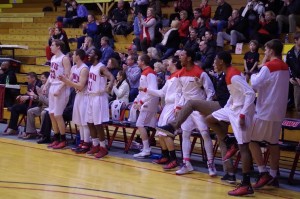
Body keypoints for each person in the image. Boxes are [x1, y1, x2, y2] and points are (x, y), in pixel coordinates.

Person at [206, 51, 256, 196]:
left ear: (221, 61)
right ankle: (229, 142)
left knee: (244, 147)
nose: (214, 63)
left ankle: (246, 185)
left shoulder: (234, 75)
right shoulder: (229, 74)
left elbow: (250, 93)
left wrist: (242, 114)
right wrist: (227, 108)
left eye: (215, 60)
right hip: (233, 108)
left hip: (242, 112)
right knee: (209, 119)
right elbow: (234, 95)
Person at [163, 49, 217, 176]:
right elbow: (179, 93)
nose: (179, 57)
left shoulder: (200, 73)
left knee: (205, 134)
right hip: (187, 108)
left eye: (182, 55)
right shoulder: (179, 74)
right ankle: (186, 164)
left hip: (199, 107)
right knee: (185, 134)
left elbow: (210, 92)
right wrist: (177, 107)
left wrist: (206, 107)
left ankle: (211, 163)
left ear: (189, 58)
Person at [249, 39, 290, 189]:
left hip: (265, 110)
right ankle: (273, 176)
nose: (264, 53)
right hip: (279, 111)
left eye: (266, 50)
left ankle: (262, 172)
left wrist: (255, 72)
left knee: (251, 140)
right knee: (273, 143)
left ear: (271, 51)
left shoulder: (268, 67)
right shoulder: (286, 67)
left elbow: (254, 84)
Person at [140, 57, 182, 170]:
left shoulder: (179, 75)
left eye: (169, 62)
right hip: (166, 106)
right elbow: (161, 93)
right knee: (159, 132)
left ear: (175, 63)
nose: (167, 64)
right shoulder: (170, 77)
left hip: (173, 106)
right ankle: (165, 156)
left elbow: (180, 93)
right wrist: (146, 90)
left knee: (166, 133)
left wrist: (178, 107)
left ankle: (174, 159)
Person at [58, 49, 91, 154]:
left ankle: (87, 144)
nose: (72, 56)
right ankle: (81, 142)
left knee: (84, 123)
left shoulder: (84, 69)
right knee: (80, 122)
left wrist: (67, 81)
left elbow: (81, 86)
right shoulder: (73, 67)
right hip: (78, 96)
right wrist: (63, 81)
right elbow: (70, 81)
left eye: (74, 54)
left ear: (78, 56)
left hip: (85, 96)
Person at [85, 49, 115, 158]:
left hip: (99, 97)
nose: (88, 55)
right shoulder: (91, 67)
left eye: (91, 53)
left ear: (96, 56)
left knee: (98, 123)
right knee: (90, 122)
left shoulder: (101, 67)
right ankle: (95, 145)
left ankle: (103, 147)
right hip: (90, 96)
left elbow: (111, 76)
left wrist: (110, 84)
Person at [44, 39, 71, 149]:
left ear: (59, 46)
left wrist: (60, 88)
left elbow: (68, 76)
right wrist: (46, 85)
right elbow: (51, 74)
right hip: (53, 86)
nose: (50, 47)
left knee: (58, 114)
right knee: (51, 113)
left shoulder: (64, 58)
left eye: (53, 45)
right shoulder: (53, 58)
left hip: (61, 87)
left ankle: (63, 139)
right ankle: (56, 138)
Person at [133, 54, 159, 158]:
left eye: (138, 60)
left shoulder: (150, 73)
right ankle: (146, 147)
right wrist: (137, 100)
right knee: (143, 125)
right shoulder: (145, 72)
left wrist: (142, 101)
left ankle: (146, 149)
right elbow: (142, 90)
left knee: (140, 124)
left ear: (143, 62)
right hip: (146, 101)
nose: (137, 61)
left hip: (150, 101)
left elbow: (152, 90)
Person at [21, 72, 50, 139]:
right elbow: (40, 100)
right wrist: (35, 96)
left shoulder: (52, 87)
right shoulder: (42, 86)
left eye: (43, 78)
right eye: (41, 78)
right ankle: (31, 132)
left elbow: (49, 102)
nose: (41, 79)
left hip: (49, 108)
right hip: (42, 106)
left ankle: (43, 133)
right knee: (30, 111)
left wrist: (39, 95)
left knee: (43, 113)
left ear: (48, 79)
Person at [287, 32, 300, 115]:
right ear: (296, 40)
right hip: (295, 80)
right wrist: (292, 77)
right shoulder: (289, 53)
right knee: (297, 102)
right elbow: (288, 67)